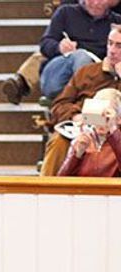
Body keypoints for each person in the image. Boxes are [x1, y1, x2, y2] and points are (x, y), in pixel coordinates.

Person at [1, 0, 121, 104]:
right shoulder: (66, 12)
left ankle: (84, 100)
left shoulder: (116, 22)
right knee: (81, 56)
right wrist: (59, 47)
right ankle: (86, 98)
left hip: (96, 74)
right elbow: (45, 43)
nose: (95, 3)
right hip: (61, 73)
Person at [41, 23, 121, 175]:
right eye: (110, 43)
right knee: (59, 140)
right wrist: (76, 116)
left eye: (119, 46)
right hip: (84, 129)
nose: (112, 51)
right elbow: (59, 105)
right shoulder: (87, 72)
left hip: (116, 134)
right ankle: (45, 190)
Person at [57, 88, 121, 175]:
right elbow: (61, 181)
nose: (101, 120)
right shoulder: (83, 138)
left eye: (107, 115)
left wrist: (113, 129)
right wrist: (76, 155)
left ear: (119, 119)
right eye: (98, 114)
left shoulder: (118, 141)